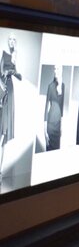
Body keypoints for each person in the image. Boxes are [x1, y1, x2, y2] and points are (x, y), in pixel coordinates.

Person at [1, 33, 22, 182]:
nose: (12, 41)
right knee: (1, 132)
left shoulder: (15, 55)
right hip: (3, 92)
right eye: (10, 39)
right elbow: (1, 73)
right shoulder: (4, 55)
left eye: (14, 39)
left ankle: (0, 172)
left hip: (11, 91)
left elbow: (18, 75)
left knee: (4, 135)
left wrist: (14, 69)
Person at [44, 64, 64, 151]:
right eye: (54, 68)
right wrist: (44, 129)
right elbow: (46, 107)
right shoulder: (50, 86)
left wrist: (62, 126)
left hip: (58, 125)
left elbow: (62, 108)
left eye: (58, 68)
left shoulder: (63, 86)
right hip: (50, 125)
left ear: (61, 70)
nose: (55, 71)